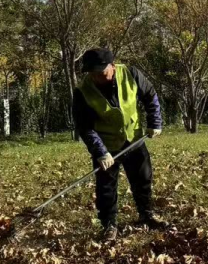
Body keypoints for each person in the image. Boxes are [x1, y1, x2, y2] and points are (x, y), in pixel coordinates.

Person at [71, 47, 167, 241]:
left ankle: (146, 214)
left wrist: (155, 122)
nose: (97, 77)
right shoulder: (82, 91)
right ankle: (109, 225)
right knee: (106, 187)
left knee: (143, 178)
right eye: (92, 73)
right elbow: (85, 127)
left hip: (133, 139)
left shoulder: (131, 74)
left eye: (101, 72)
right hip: (106, 145)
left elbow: (150, 95)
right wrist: (100, 152)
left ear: (112, 66)